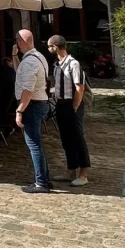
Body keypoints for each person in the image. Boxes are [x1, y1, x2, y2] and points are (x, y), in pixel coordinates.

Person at [48, 36, 91, 186]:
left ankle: (83, 174)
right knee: (66, 138)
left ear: (55, 47)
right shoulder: (57, 64)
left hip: (72, 105)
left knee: (78, 138)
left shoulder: (73, 64)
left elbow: (80, 87)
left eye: (49, 46)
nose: (48, 49)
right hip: (60, 104)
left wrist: (74, 106)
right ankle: (70, 170)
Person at [14, 29, 51, 193]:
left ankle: (41, 183)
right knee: (37, 143)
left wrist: (20, 110)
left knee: (34, 144)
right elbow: (21, 75)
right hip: (40, 102)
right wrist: (14, 57)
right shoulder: (37, 57)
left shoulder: (30, 62)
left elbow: (27, 89)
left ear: (22, 42)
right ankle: (44, 179)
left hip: (32, 104)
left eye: (17, 41)